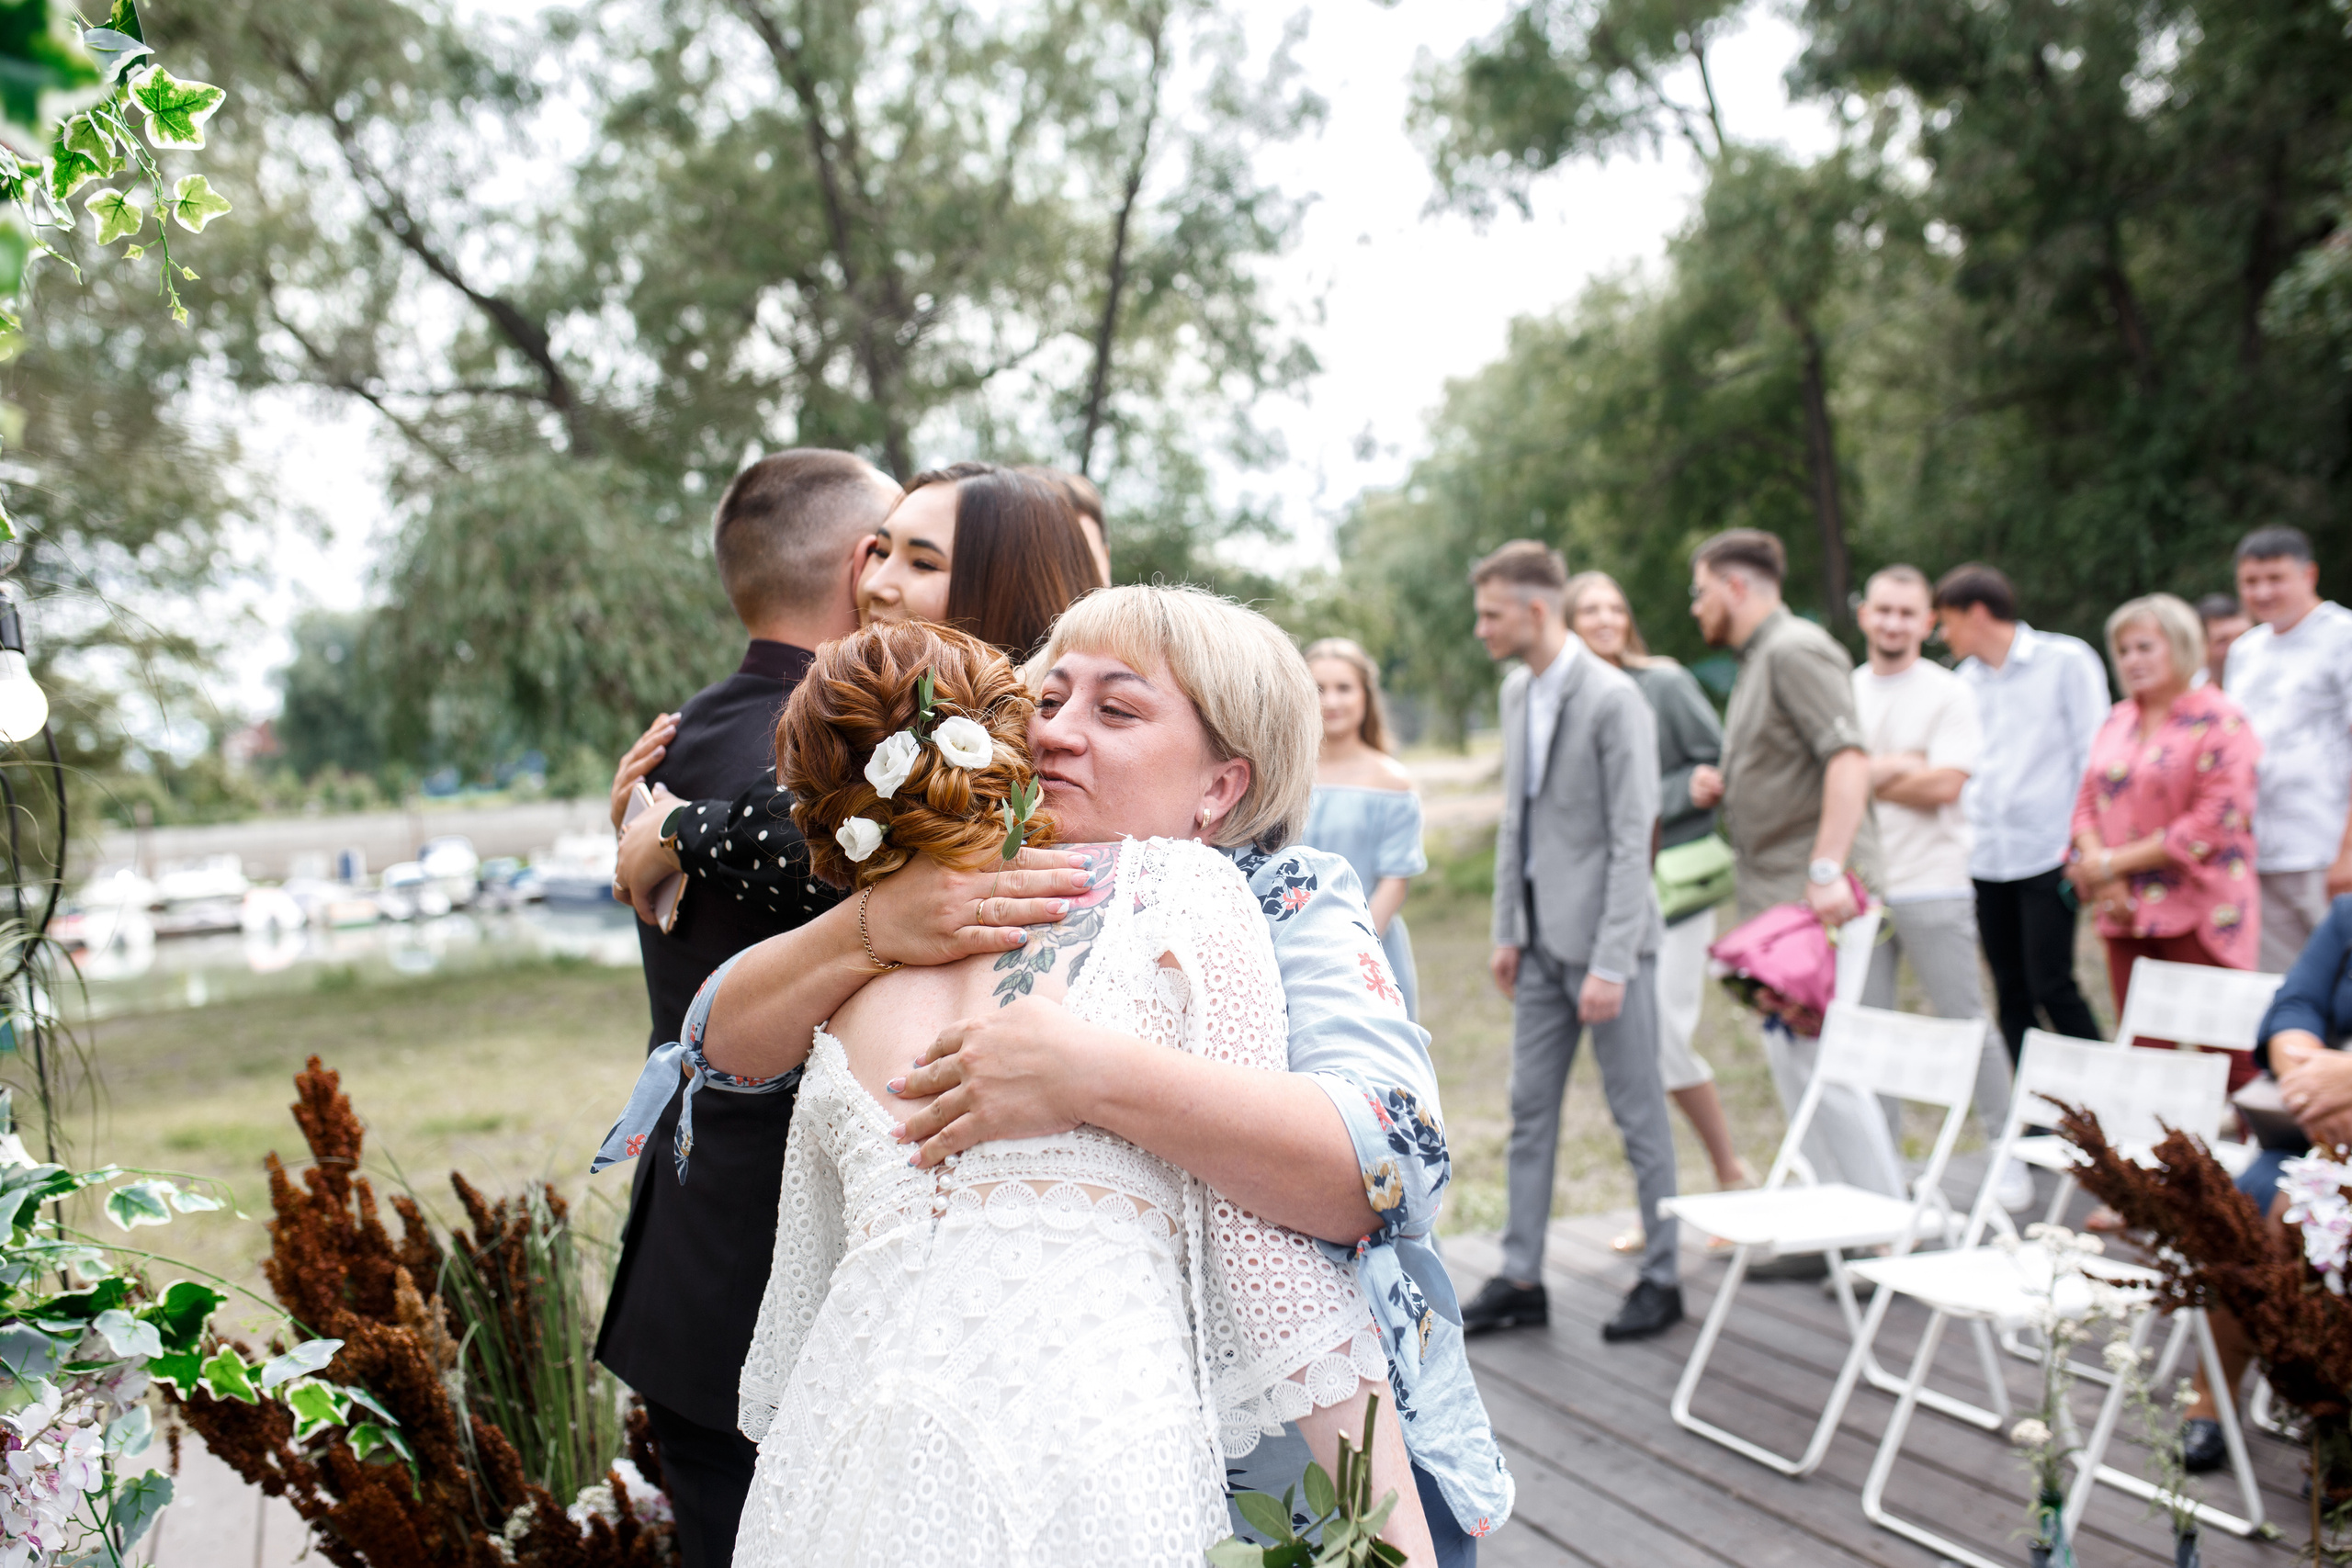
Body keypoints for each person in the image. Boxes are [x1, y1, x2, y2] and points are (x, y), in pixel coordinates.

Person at [673, 585, 1510, 1564]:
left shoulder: (1256, 897)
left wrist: (1093, 1077)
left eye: (1116, 711)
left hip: (1192, 1475)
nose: (1058, 734)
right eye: (1047, 699)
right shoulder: (930, 901)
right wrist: (868, 925)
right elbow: (717, 1054)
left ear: (1220, 789)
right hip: (860, 1466)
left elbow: (1387, 1166)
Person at [593, 447, 900, 1568]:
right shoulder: (853, 759)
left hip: (689, 1254)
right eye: (905, 545)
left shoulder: (676, 748)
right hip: (800, 1280)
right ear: (868, 566)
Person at [609, 463, 1103, 919]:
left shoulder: (1052, 746)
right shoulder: (850, 718)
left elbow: (837, 847)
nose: (876, 584)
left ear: (1005, 587)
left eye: (923, 564)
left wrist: (677, 831)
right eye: (880, 552)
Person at [1461, 541, 1680, 1345]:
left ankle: (1663, 1273)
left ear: (1536, 610)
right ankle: (1522, 1274)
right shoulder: (1518, 689)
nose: (1480, 627)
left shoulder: (1616, 697)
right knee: (1529, 1110)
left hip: (1608, 950)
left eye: (1491, 612)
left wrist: (1613, 960)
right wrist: (1506, 930)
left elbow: (1634, 837)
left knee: (1637, 1114)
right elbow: (1518, 819)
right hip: (1540, 946)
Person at [1687, 529, 1894, 1195]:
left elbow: (1849, 758)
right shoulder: (1759, 659)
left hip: (1818, 899)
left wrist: (1829, 868)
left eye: (1701, 591)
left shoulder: (1797, 649)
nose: (1696, 607)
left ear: (1735, 586)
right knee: (1795, 1065)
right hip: (1778, 900)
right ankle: (1834, 1229)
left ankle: (1885, 1227)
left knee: (1827, 1066)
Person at [1561, 570, 1751, 1220]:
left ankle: (1731, 1175)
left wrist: (1673, 794)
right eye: (1589, 609)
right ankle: (1661, 1208)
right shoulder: (1557, 702)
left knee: (1665, 1038)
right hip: (1604, 902)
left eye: (1615, 606)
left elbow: (1715, 767)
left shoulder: (1662, 683)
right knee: (1636, 1056)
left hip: (1675, 889)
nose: (1606, 618)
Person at [1850, 566, 2028, 1210]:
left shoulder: (1948, 692)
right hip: (1863, 887)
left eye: (1908, 612)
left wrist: (1865, 775)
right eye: (1884, 610)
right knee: (1867, 1031)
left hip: (1934, 882)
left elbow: (1946, 785)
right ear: (1865, 615)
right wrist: (1901, 766)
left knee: (1967, 1022)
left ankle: (2004, 1150)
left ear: (1927, 622)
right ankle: (1882, 1168)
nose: (1894, 622)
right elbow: (1832, 787)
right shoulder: (1848, 691)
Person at [2065, 593, 2263, 1087]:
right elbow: (2087, 802)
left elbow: (2210, 824)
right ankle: (2154, 1162)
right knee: (2142, 1049)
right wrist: (2101, 870)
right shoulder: (2116, 720)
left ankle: (2258, 1159)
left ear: (2180, 646)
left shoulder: (2221, 719)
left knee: (2227, 1049)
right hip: (2125, 909)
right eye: (2125, 650)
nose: (2132, 660)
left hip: (2199, 910)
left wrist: (2111, 864)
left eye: (2145, 647)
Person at [1931, 562, 2109, 1062]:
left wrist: (2085, 843)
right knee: (2010, 989)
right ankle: (2034, 1114)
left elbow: (2092, 758)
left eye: (1948, 620)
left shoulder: (2066, 660)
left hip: (2048, 850)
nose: (1944, 634)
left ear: (1979, 613)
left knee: (2052, 982)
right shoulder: (1961, 682)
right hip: (1986, 856)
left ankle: (2104, 1097)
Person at [2223, 525, 2352, 973]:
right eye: (2251, 582)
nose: (2263, 591)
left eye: (2275, 578)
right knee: (2287, 989)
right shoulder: (2245, 650)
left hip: (2326, 846)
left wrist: (2348, 851)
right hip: (2261, 850)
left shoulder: (2343, 636)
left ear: (2309, 575)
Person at [1298, 637, 1425, 1020]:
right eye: (1319, 688)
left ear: (1365, 695)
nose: (1331, 701)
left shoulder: (1392, 781)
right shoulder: (1283, 774)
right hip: (1289, 945)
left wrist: (1353, 949)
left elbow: (1394, 879)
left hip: (1366, 950)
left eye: (1344, 688)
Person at [2193, 592, 2249, 690]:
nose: (2237, 647)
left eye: (2244, 636)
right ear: (2200, 647)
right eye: (2223, 641)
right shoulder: (2187, 693)